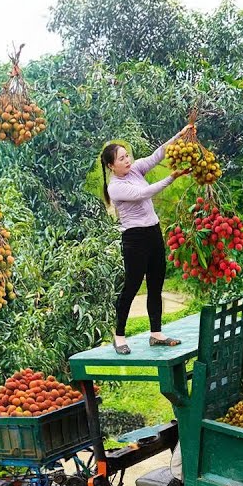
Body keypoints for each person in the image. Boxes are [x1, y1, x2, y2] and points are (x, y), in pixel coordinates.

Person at [101, 125, 192, 354]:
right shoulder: (115, 187)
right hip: (134, 238)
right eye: (121, 159)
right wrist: (172, 177)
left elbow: (157, 154)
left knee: (156, 283)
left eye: (127, 156)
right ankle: (119, 335)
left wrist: (179, 134)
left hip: (153, 232)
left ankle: (156, 333)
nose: (127, 160)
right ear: (111, 165)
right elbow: (144, 193)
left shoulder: (135, 170)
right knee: (132, 286)